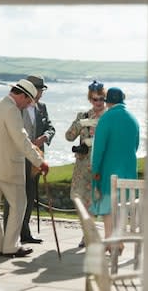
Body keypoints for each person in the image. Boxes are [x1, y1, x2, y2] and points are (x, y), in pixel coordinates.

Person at [0, 78, 50, 258]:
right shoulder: (12, 110)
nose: (27, 105)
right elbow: (21, 140)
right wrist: (40, 161)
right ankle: (10, 246)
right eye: (28, 101)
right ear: (21, 95)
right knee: (19, 205)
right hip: (7, 166)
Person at [3, 75, 55, 244]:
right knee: (13, 196)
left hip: (36, 158)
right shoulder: (17, 107)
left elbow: (50, 127)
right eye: (39, 90)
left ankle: (25, 233)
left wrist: (45, 137)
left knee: (30, 194)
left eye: (42, 90)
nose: (41, 93)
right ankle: (9, 235)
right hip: (17, 156)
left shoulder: (42, 107)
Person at [90, 87, 139, 250]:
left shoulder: (106, 118)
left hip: (109, 171)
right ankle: (117, 240)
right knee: (121, 207)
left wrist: (95, 170)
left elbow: (99, 149)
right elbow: (136, 146)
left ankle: (111, 241)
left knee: (107, 208)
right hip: (129, 171)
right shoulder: (133, 119)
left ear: (107, 101)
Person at [65, 80, 106, 248]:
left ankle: (91, 235)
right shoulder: (83, 116)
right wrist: (79, 123)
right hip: (82, 167)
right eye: (95, 99)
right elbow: (69, 136)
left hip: (101, 166)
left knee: (96, 202)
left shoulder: (109, 117)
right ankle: (87, 234)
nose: (99, 103)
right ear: (90, 99)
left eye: (101, 99)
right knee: (80, 201)